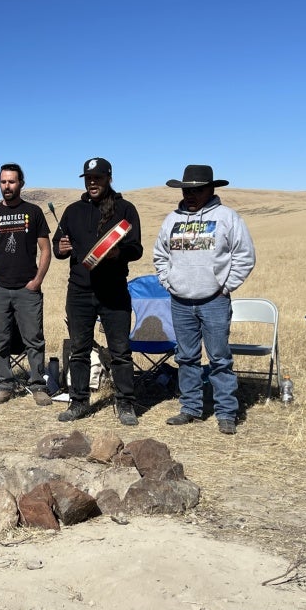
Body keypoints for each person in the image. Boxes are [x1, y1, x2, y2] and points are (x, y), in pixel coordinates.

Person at [153, 165, 256, 435]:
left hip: (215, 300)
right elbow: (160, 255)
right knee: (186, 357)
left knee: (220, 358)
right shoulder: (171, 219)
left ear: (211, 189)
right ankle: (190, 408)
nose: (191, 194)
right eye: (187, 189)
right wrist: (169, 282)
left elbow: (244, 255)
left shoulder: (227, 217)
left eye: (197, 189)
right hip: (180, 300)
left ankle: (226, 412)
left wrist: (226, 286)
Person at [53, 158, 142, 426]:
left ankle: (125, 403)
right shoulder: (72, 211)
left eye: (98, 178)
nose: (92, 183)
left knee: (120, 351)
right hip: (79, 292)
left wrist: (118, 253)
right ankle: (78, 402)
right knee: (79, 350)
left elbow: (136, 248)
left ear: (109, 178)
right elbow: (59, 245)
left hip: (114, 291)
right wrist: (61, 248)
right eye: (88, 179)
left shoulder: (125, 209)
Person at [0, 163, 52, 406]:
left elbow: (45, 249)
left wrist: (37, 281)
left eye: (11, 182)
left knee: (34, 339)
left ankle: (38, 385)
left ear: (21, 183)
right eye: (3, 182)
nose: (6, 186)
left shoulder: (34, 211)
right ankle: (5, 385)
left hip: (27, 289)